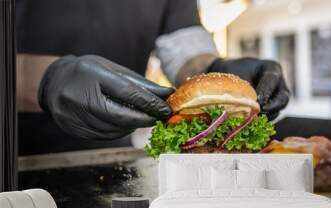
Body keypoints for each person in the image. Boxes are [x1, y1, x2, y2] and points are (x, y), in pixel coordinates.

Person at [16, 0, 289, 153]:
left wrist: (216, 69)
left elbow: (185, 49)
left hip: (112, 151)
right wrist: (46, 80)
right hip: (17, 161)